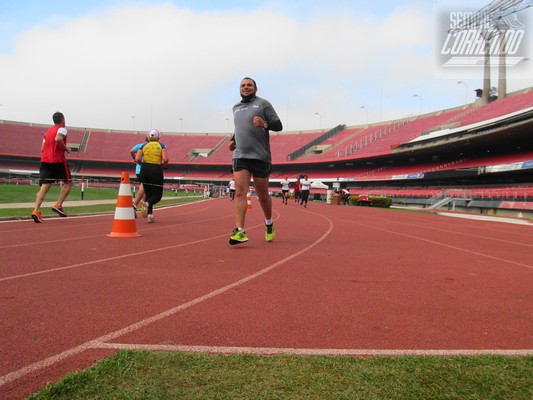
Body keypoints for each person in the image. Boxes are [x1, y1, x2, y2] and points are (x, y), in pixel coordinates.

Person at [228, 77, 282, 245]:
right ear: (239, 89)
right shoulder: (235, 107)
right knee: (239, 191)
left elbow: (278, 125)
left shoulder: (263, 104)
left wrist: (264, 124)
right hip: (240, 155)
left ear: (255, 89)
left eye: (249, 85)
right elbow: (239, 129)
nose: (246, 87)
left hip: (260, 156)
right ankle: (240, 231)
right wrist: (233, 141)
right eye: (243, 85)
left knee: (262, 195)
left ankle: (268, 223)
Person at [31, 111, 72, 223]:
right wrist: (66, 149)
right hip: (57, 160)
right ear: (62, 120)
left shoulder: (47, 132)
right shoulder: (62, 129)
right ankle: (58, 205)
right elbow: (58, 139)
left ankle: (36, 210)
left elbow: (42, 148)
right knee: (68, 182)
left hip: (45, 161)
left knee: (45, 186)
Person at [135, 129, 169, 223]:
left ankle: (150, 215)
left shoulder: (143, 146)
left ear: (149, 136)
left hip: (144, 170)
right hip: (156, 170)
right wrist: (164, 165)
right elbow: (165, 159)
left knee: (149, 194)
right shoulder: (162, 146)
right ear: (158, 137)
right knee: (157, 196)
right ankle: (146, 204)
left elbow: (137, 158)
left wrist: (142, 164)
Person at [130, 134, 149, 217]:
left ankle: (142, 203)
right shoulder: (150, 147)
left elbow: (131, 151)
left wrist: (134, 158)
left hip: (138, 170)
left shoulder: (139, 145)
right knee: (144, 187)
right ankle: (135, 205)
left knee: (145, 187)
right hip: (145, 169)